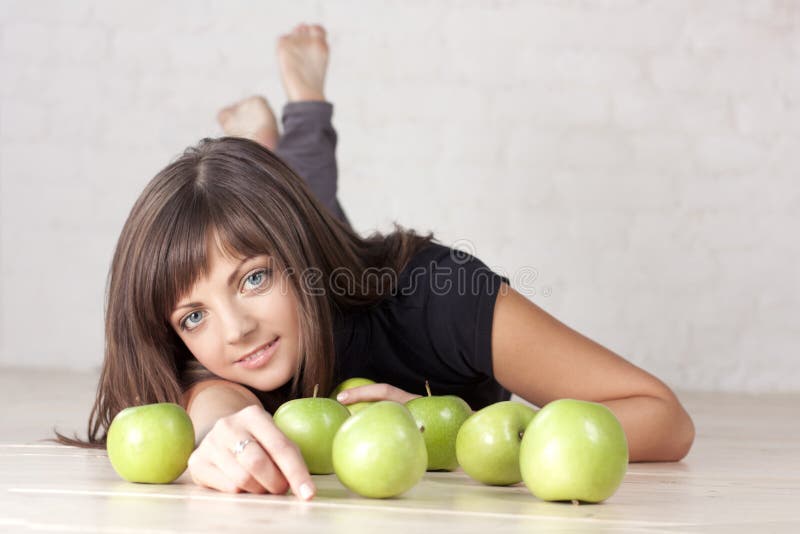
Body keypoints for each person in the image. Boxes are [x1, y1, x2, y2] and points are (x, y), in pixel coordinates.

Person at [53, 24, 695, 501]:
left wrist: (471, 431)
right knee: (298, 220)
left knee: (319, 219)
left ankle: (298, 113)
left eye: (253, 278)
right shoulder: (212, 350)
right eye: (193, 316)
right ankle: (264, 145)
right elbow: (204, 388)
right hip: (307, 259)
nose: (235, 331)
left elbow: (665, 418)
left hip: (350, 277)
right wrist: (218, 430)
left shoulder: (439, 296)